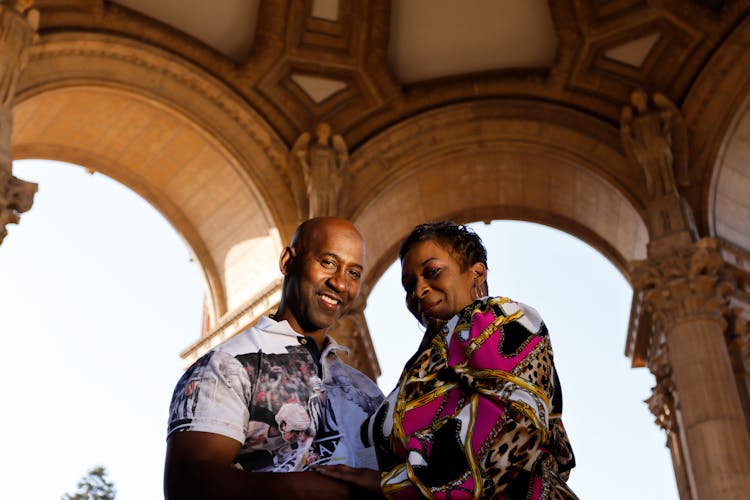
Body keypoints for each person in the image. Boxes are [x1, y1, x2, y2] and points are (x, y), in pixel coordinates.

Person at [316, 221, 577, 499]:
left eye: (432, 272)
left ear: (476, 273)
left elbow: (514, 424)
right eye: (409, 285)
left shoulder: (494, 319)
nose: (419, 291)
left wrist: (392, 485)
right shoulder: (423, 364)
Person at [164, 217, 385, 499]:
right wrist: (303, 488)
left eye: (353, 273)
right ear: (287, 261)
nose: (340, 283)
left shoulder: (367, 392)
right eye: (328, 263)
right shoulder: (226, 365)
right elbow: (186, 485)